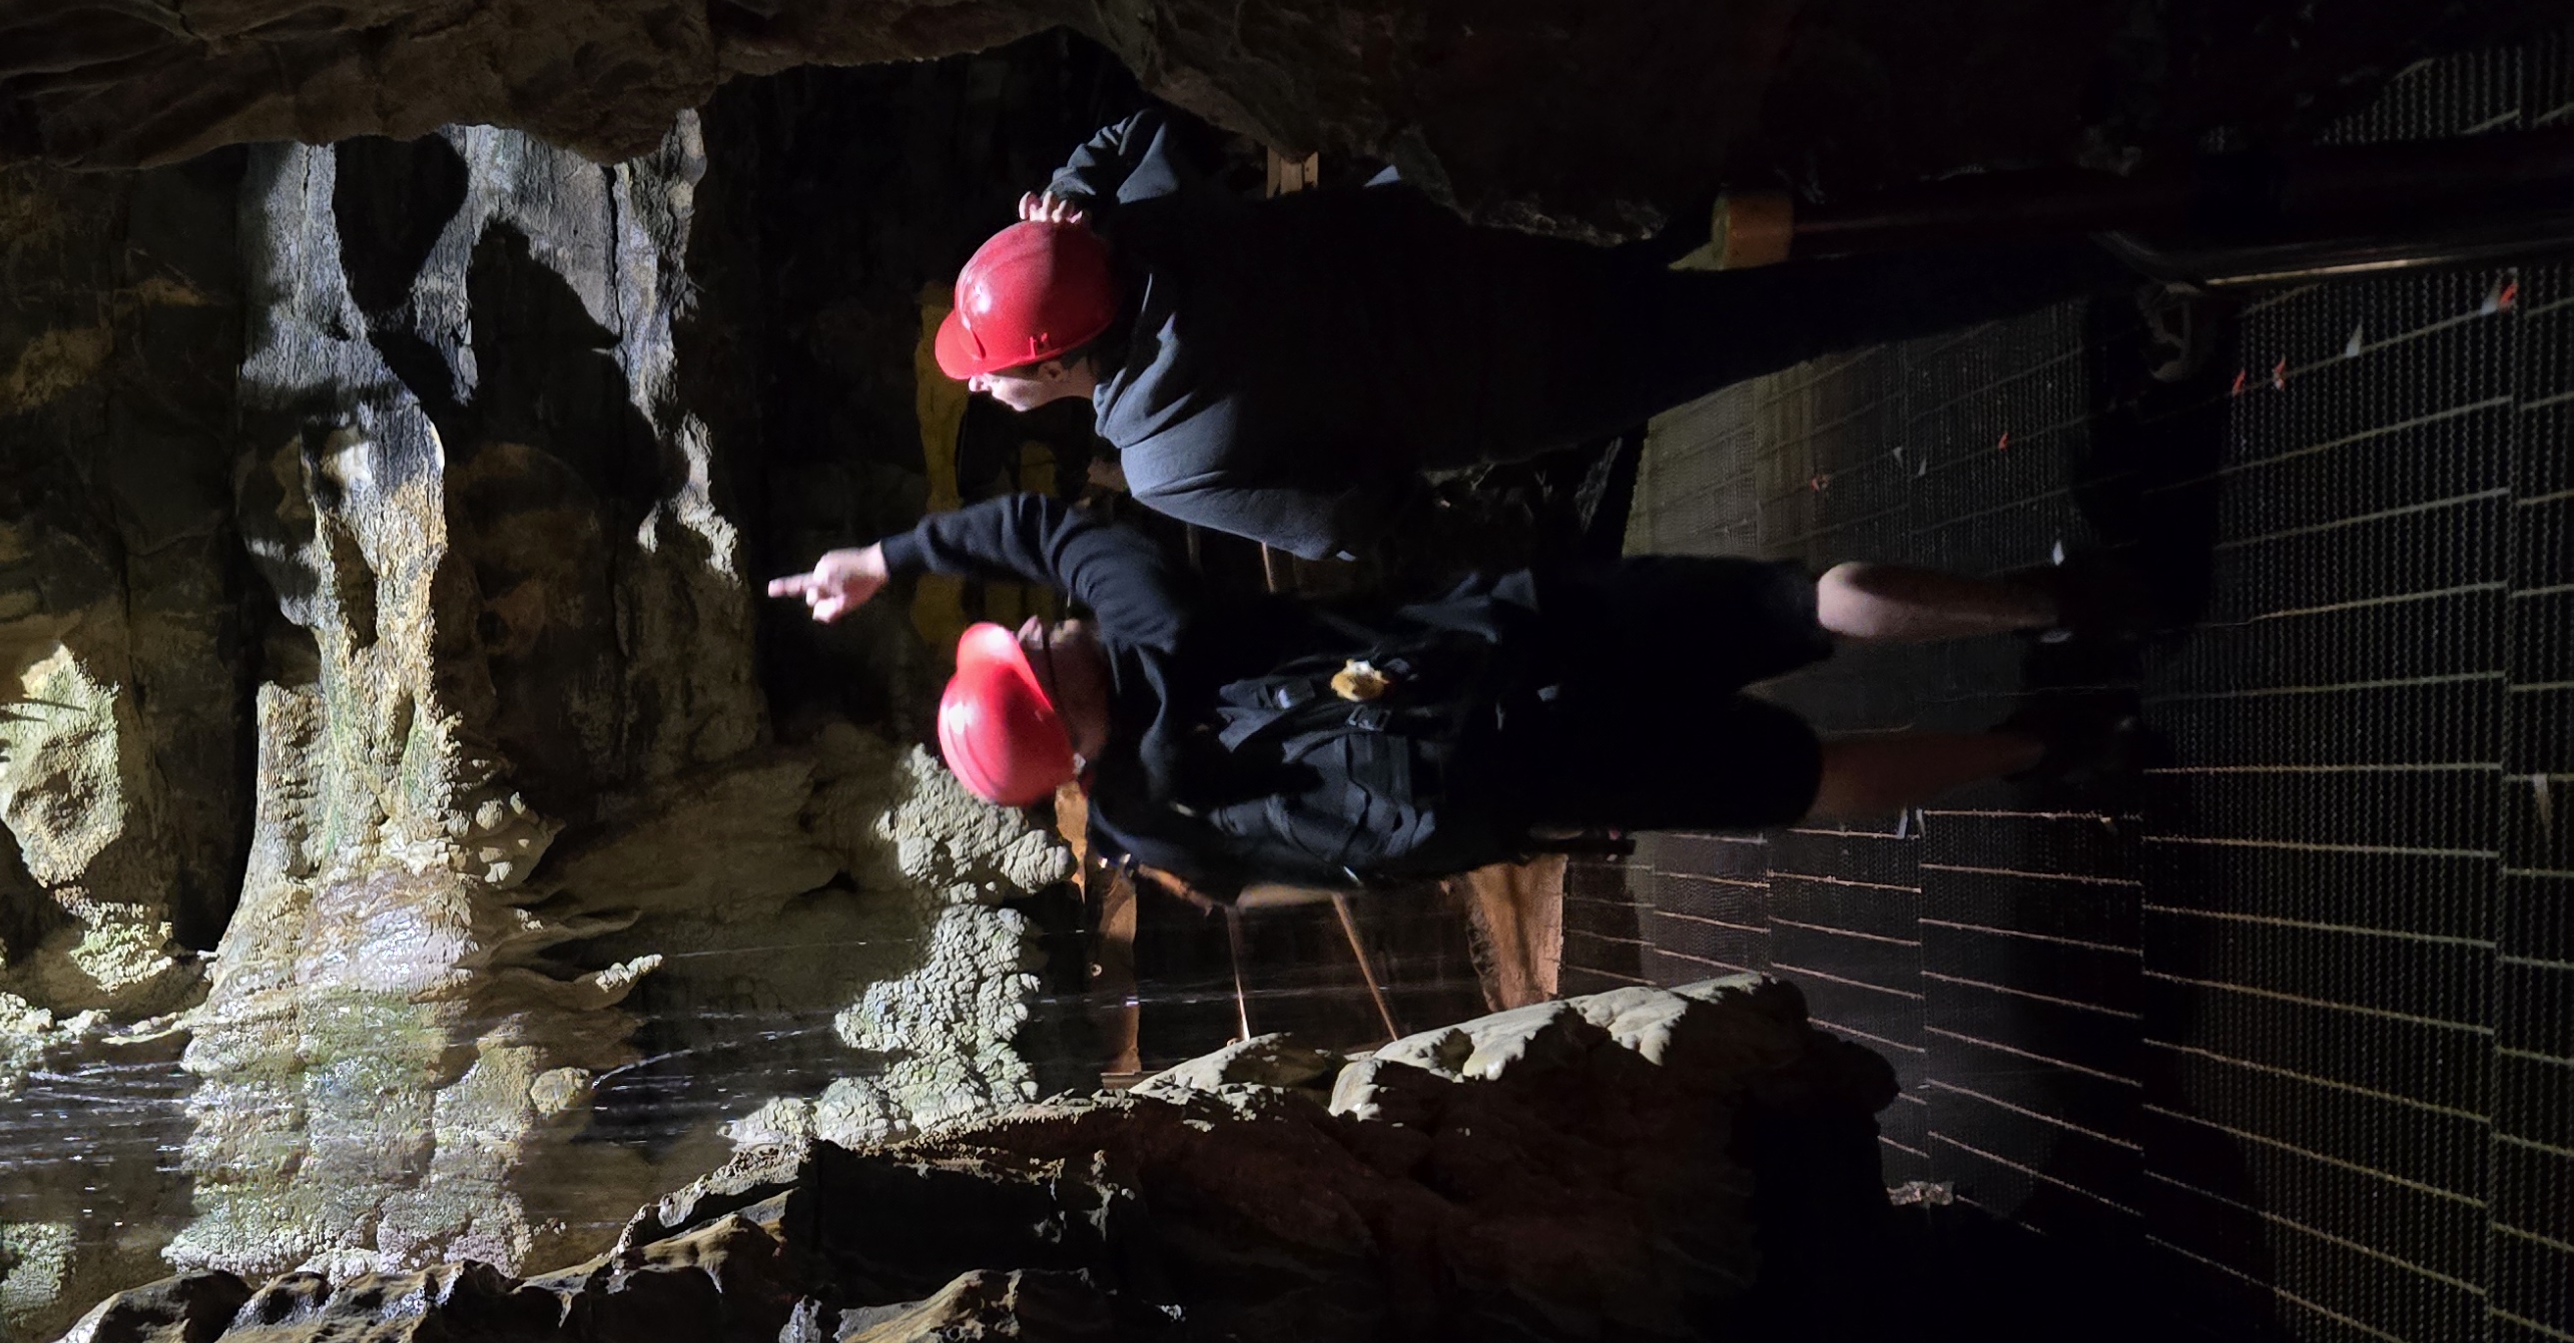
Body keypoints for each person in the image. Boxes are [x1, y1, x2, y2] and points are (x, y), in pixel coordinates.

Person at [765, 490, 2113, 902]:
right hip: (1515, 633)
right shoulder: (1155, 618)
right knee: (1790, 604)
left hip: (1531, 782)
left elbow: (1272, 889)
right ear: (1054, 682)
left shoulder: (1143, 816)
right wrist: (883, 557)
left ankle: (2027, 747)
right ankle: (2055, 603)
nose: (1039, 628)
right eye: (1026, 650)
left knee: (1805, 783)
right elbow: (1047, 526)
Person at [937, 109, 2119, 557]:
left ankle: (2092, 250)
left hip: (1543, 372)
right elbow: (1128, 129)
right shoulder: (1150, 219)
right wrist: (1072, 208)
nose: (989, 391)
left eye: (998, 375)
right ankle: (2073, 164)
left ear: (1057, 364)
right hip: (1507, 210)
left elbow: (1364, 521)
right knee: (1789, 183)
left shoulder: (1168, 456)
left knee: (1813, 313)